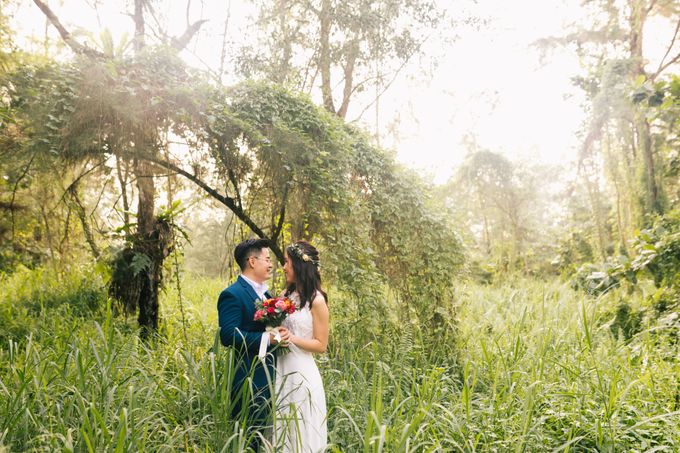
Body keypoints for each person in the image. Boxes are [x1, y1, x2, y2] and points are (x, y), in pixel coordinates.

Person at [217, 238, 290, 451]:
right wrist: (267, 339)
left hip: (272, 375)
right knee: (249, 440)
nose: (271, 264)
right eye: (267, 259)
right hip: (249, 379)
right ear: (251, 261)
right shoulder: (232, 294)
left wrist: (280, 335)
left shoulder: (267, 295)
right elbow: (229, 335)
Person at [275, 241, 329, 452]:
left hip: (302, 373)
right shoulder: (285, 296)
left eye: (287, 262)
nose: (284, 267)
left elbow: (321, 344)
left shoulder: (317, 301)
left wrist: (293, 338)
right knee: (282, 428)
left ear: (299, 265)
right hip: (281, 369)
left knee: (301, 430)